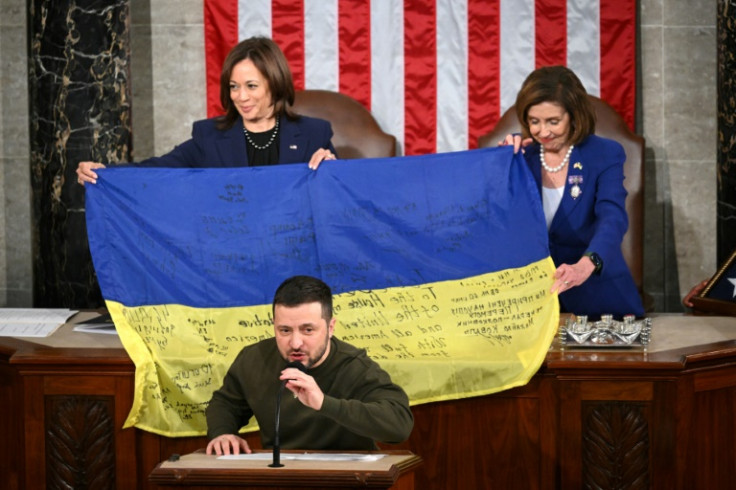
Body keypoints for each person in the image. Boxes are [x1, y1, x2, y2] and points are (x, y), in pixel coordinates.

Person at [76, 36, 336, 185]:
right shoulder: (209, 136)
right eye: (233, 86)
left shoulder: (314, 133)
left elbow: (345, 194)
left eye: (251, 86)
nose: (240, 96)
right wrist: (105, 173)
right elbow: (157, 168)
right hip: (232, 253)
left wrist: (335, 171)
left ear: (276, 84)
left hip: (295, 252)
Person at [205, 275, 414, 455]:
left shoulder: (355, 366)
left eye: (307, 330)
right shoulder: (254, 358)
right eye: (285, 330)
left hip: (347, 477)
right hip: (280, 476)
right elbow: (226, 404)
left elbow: (399, 425)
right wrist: (223, 433)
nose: (295, 343)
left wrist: (324, 403)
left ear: (330, 327)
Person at [501, 66, 644, 319]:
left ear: (574, 115)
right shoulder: (519, 157)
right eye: (534, 121)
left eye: (553, 121)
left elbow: (612, 218)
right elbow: (495, 221)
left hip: (597, 297)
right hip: (532, 304)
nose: (543, 132)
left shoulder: (605, 154)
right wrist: (500, 164)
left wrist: (587, 264)